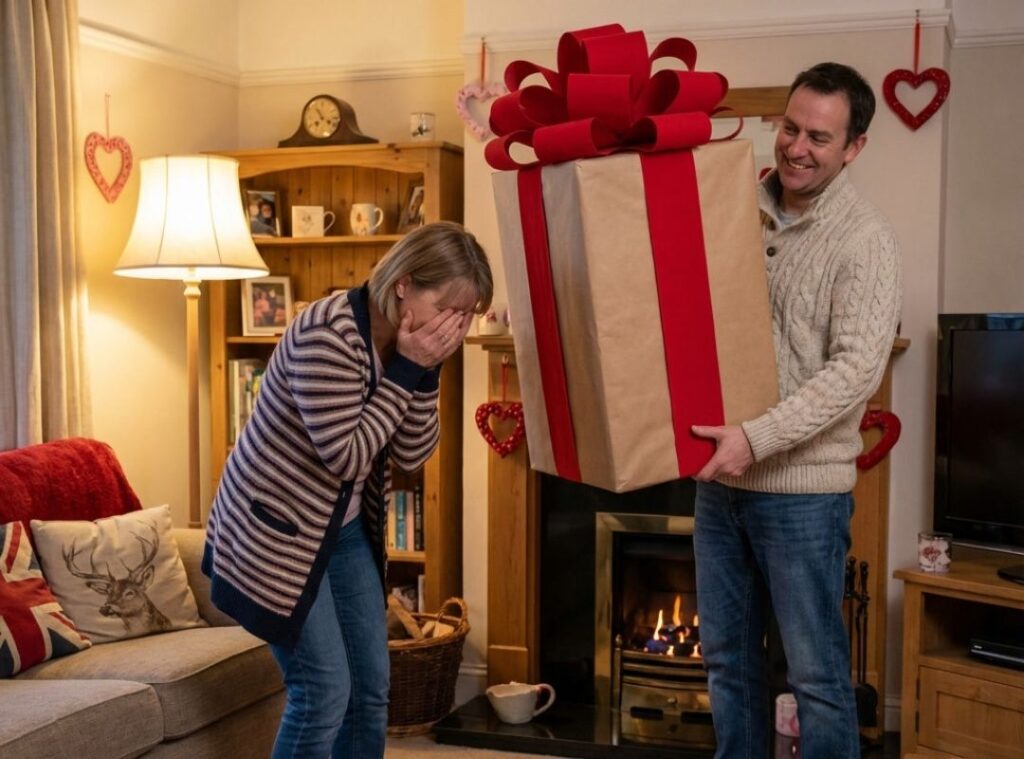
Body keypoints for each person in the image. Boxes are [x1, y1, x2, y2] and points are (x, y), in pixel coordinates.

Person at [202, 221, 493, 758]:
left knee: (370, 691)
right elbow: (348, 456)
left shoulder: (411, 348)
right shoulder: (327, 333)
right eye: (449, 309)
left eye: (465, 316)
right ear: (404, 282)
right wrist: (408, 370)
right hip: (276, 534)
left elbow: (410, 453)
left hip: (345, 527)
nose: (453, 328)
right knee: (323, 692)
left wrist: (423, 374)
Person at [689, 62, 902, 759]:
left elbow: (854, 373)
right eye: (789, 127)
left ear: (853, 147)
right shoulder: (732, 207)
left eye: (819, 135)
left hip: (801, 498)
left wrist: (755, 438)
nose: (797, 147)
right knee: (727, 663)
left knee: (816, 680)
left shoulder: (865, 241)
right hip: (719, 483)